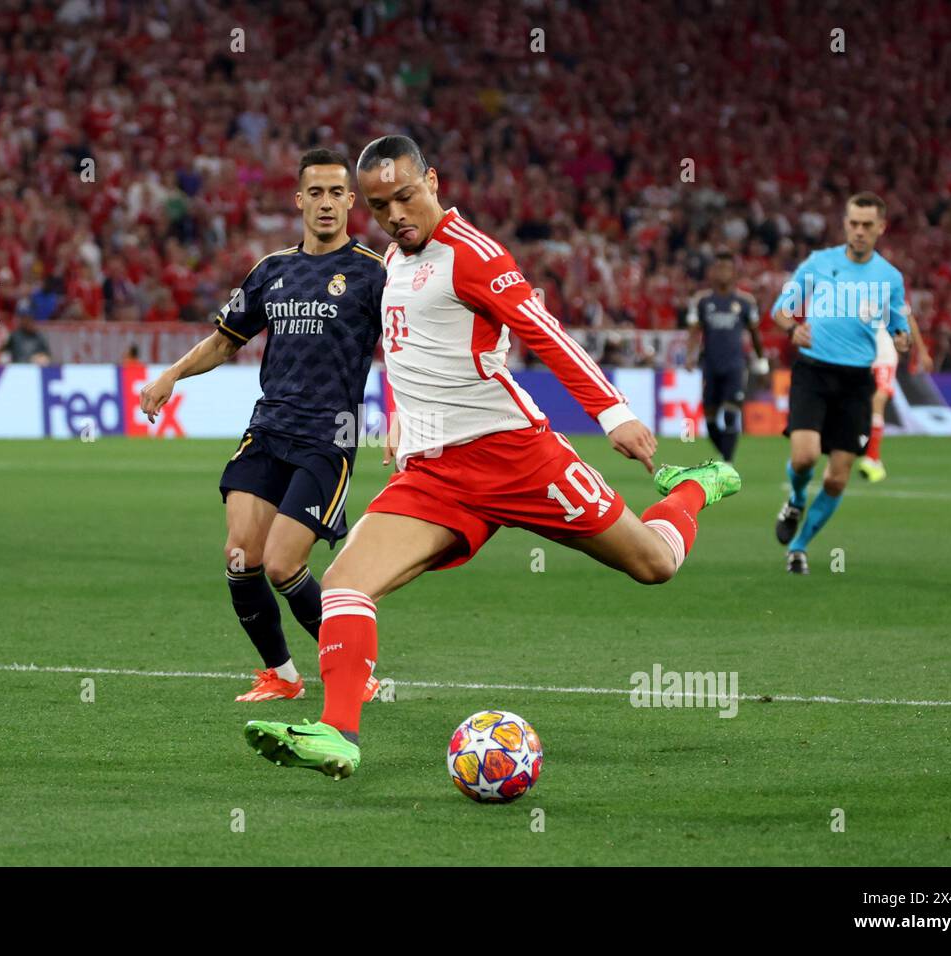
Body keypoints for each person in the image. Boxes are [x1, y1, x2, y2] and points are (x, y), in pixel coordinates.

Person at [243, 136, 740, 780]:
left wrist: (611, 412)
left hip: (516, 456)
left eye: (405, 196)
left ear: (434, 182)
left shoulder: (473, 254)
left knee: (654, 563)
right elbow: (407, 349)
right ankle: (338, 734)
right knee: (342, 584)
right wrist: (399, 419)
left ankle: (695, 489)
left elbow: (543, 330)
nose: (394, 213)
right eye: (380, 204)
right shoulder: (392, 261)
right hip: (434, 475)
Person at [139, 149, 385, 703]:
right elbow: (226, 340)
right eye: (315, 193)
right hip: (268, 428)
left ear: (351, 201)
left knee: (281, 564)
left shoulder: (373, 275)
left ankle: (353, 673)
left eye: (336, 193)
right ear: (299, 200)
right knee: (239, 557)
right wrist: (172, 374)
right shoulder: (272, 271)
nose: (326, 203)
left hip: (329, 435)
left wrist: (405, 419)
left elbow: (406, 349)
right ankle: (284, 675)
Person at [770, 192, 911, 573]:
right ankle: (796, 500)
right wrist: (792, 328)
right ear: (845, 224)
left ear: (881, 227)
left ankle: (799, 546)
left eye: (868, 225)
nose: (860, 231)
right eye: (854, 223)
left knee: (836, 479)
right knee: (804, 457)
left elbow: (900, 326)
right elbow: (779, 310)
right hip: (813, 372)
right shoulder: (819, 264)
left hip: (855, 383)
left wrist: (902, 338)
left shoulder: (890, 278)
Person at [684, 251, 768, 462]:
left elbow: (755, 333)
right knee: (710, 420)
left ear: (734, 273)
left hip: (735, 365)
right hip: (710, 365)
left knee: (731, 413)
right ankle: (724, 453)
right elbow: (694, 331)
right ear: (712, 272)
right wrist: (690, 355)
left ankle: (727, 463)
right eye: (718, 268)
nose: (722, 272)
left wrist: (761, 360)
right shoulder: (702, 300)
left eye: (726, 268)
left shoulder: (745, 301)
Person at [856, 317, 930, 482]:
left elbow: (909, 319)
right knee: (860, 406)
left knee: (878, 399)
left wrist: (922, 351)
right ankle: (871, 457)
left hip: (884, 356)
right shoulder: (853, 295)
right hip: (861, 356)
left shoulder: (890, 292)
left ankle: (872, 458)